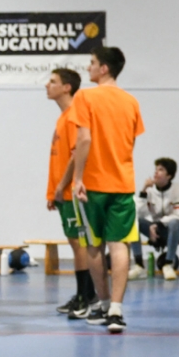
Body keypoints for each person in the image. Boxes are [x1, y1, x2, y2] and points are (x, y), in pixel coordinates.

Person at [71, 47, 144, 334]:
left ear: (103, 69)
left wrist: (78, 178)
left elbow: (84, 139)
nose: (88, 68)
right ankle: (117, 309)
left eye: (92, 63)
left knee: (94, 246)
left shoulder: (85, 97)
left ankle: (102, 305)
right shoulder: (131, 101)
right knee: (120, 245)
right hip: (122, 183)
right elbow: (131, 144)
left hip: (93, 185)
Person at [44, 67, 96, 318]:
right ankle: (82, 295)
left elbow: (76, 156)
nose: (47, 85)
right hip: (62, 193)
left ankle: (87, 297)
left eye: (52, 81)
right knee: (76, 245)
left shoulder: (74, 115)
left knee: (80, 245)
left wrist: (61, 186)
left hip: (70, 192)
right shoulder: (63, 117)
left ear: (67, 87)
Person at [129, 158, 179, 281]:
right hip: (155, 230)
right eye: (156, 169)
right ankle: (139, 265)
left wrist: (157, 224)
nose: (156, 173)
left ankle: (168, 263)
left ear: (169, 176)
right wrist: (143, 191)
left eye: (161, 170)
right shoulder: (150, 190)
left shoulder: (177, 189)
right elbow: (137, 212)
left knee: (174, 222)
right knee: (132, 220)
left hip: (176, 230)